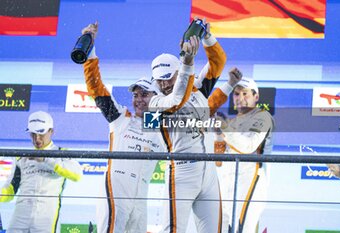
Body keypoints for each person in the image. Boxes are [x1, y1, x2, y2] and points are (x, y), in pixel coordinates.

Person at [81, 22, 166, 233]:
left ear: (157, 98)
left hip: (141, 196)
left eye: (144, 94)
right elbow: (96, 88)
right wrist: (90, 51)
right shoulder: (121, 118)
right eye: (135, 95)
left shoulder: (163, 127)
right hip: (115, 190)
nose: (138, 99)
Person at [149, 18, 226, 233]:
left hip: (209, 172)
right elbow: (176, 100)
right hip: (181, 172)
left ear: (177, 72)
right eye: (159, 80)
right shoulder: (155, 103)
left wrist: (208, 37)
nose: (164, 84)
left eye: (168, 78)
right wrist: (188, 63)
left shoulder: (198, 89)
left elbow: (218, 63)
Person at [0, 111, 82, 233]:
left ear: (51, 131)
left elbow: (77, 175)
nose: (37, 139)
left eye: (41, 133)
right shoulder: (21, 158)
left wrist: (45, 159)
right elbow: (10, 190)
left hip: (46, 215)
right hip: (21, 214)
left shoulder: (62, 153)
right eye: (33, 134)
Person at [213, 76, 275, 233]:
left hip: (251, 181)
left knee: (242, 230)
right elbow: (218, 159)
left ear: (256, 97)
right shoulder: (232, 122)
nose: (240, 98)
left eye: (245, 93)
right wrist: (218, 136)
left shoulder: (263, 116)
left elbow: (248, 146)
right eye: (236, 94)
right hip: (227, 183)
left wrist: (225, 128)